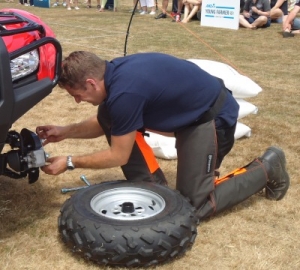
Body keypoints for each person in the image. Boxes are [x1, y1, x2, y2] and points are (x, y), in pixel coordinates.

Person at [36, 51, 290, 220]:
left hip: (212, 119)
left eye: (77, 95)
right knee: (107, 113)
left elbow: (119, 155)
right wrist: (64, 132)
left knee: (193, 207)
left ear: (91, 82)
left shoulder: (125, 93)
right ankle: (155, 189)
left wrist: (70, 162)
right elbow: (111, 122)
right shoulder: (116, 76)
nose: (79, 101)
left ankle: (268, 167)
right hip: (193, 114)